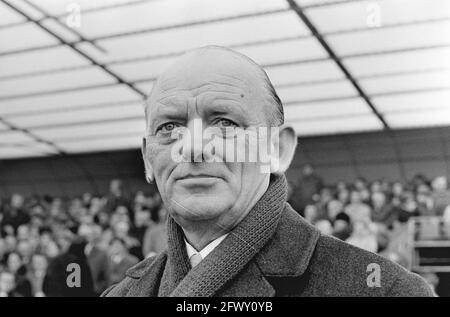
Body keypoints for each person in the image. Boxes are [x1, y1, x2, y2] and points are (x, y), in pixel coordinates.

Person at [100, 46, 432, 297]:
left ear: (277, 149)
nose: (192, 146)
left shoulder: (385, 289)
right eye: (169, 126)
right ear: (147, 158)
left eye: (225, 122)